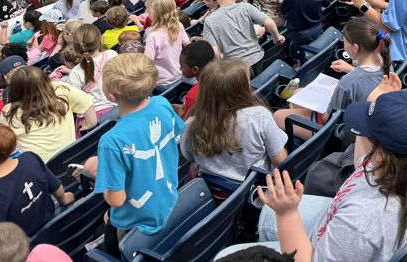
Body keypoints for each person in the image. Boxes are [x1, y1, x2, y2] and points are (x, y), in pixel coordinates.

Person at [225, 90, 407, 262]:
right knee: (266, 214)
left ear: (380, 152)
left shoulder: (363, 223)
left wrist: (287, 214)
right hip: (340, 219)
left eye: (363, 132)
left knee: (228, 254)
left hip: (329, 244)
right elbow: (362, 160)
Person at [93, 54, 185, 254]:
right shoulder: (162, 103)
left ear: (111, 95)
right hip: (169, 198)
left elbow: (116, 200)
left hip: (135, 226)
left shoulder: (111, 142)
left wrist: (98, 172)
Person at [180, 59, 287, 190]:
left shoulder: (191, 124)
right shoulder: (259, 116)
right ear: (242, 88)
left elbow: (189, 156)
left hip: (213, 194)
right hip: (255, 191)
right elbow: (280, 160)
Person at [273, 17, 389, 138]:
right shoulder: (384, 62)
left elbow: (328, 118)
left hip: (335, 128)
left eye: (344, 42)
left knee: (277, 115)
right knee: (297, 93)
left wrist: (318, 102)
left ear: (355, 48)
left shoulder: (347, 82)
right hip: (361, 115)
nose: (344, 45)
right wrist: (350, 69)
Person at [0, 122, 75, 236]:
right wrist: (63, 199)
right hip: (54, 225)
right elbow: (56, 186)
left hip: (24, 246)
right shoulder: (30, 158)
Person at [0, 65, 97, 160]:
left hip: (42, 169)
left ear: (14, 89)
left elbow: (6, 145)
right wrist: (90, 123)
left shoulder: (9, 111)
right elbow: (88, 104)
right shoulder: (60, 89)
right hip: (74, 156)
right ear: (45, 79)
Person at [203, 0, 285, 69]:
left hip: (235, 68)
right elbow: (270, 22)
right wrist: (276, 38)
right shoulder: (246, 7)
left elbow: (215, 52)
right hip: (257, 58)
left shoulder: (209, 20)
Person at [68, 24, 120, 118]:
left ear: (75, 46)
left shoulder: (75, 72)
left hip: (95, 118)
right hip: (120, 107)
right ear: (100, 40)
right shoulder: (112, 54)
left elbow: (76, 102)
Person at [143, 0, 190, 87]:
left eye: (148, 10)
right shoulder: (179, 25)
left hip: (161, 83)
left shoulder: (153, 36)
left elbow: (147, 64)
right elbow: (188, 45)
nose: (147, 13)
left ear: (154, 13)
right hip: (179, 75)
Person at [176, 39, 215, 118]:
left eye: (182, 66)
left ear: (195, 70)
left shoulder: (193, 96)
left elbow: (185, 124)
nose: (180, 68)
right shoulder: (225, 80)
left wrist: (179, 111)